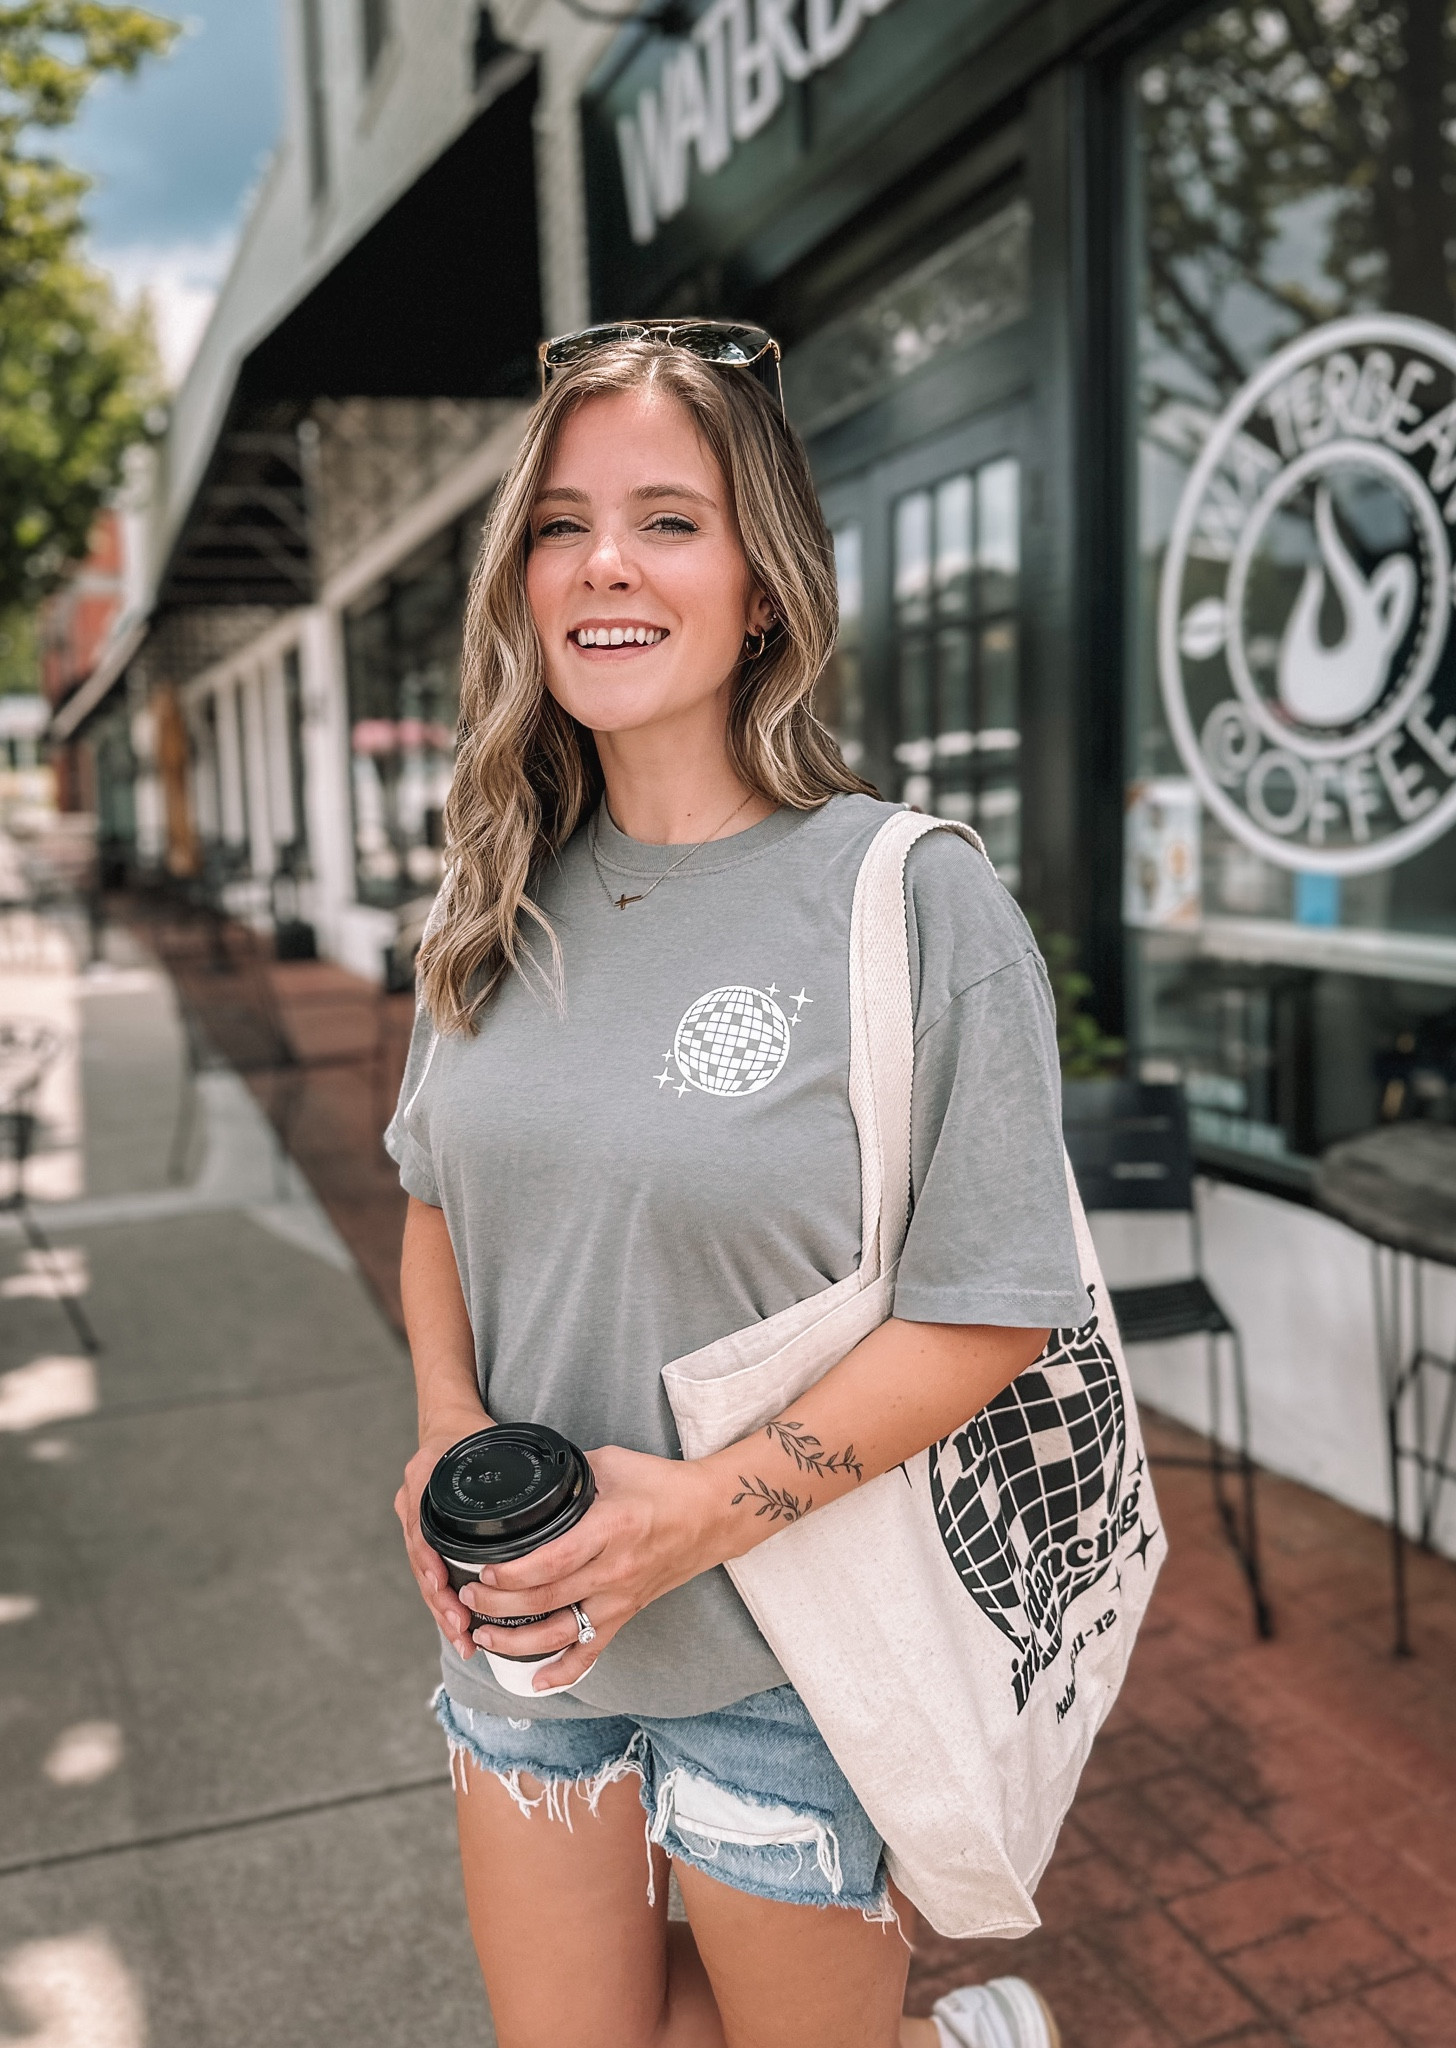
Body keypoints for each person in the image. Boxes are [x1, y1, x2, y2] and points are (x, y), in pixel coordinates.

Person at [388, 322, 1086, 2048]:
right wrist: (441, 1439)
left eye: (667, 520)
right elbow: (430, 1207)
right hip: (529, 1641)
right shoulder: (493, 889)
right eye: (560, 524)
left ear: (763, 585)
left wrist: (692, 1518)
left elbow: (990, 1303)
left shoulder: (909, 897)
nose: (602, 565)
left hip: (798, 1659)